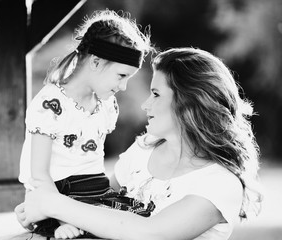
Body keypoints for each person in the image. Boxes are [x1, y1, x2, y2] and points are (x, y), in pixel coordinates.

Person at [16, 47, 263, 240]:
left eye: (156, 94)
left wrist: (52, 203)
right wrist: (41, 215)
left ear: (190, 103)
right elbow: (92, 209)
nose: (145, 105)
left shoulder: (220, 183)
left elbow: (150, 233)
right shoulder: (142, 151)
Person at [18, 9, 153, 239]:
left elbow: (93, 165)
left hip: (95, 192)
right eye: (122, 76)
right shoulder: (50, 104)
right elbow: (39, 175)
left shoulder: (105, 104)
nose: (123, 87)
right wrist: (63, 220)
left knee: (143, 221)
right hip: (57, 195)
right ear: (96, 62)